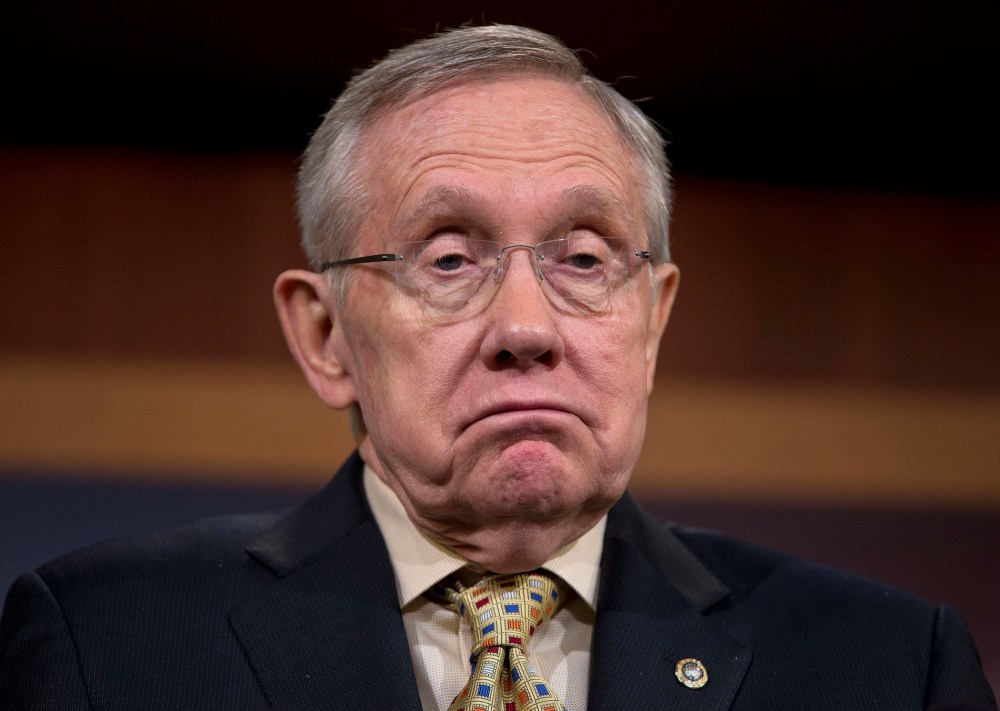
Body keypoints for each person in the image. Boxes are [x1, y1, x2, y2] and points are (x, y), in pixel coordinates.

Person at [0, 24, 994, 711]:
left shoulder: (885, 666)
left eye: (585, 257)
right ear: (324, 335)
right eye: (447, 259)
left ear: (650, 323)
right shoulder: (106, 641)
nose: (527, 326)